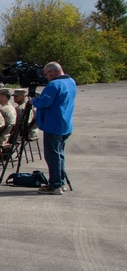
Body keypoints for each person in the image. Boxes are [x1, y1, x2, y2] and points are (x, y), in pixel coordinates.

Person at [33, 62, 77, 194]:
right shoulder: (71, 82)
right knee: (59, 155)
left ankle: (56, 184)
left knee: (52, 156)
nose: (46, 77)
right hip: (65, 124)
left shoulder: (54, 85)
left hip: (54, 125)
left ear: (52, 72)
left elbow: (44, 102)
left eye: (46, 74)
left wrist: (33, 101)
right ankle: (59, 181)